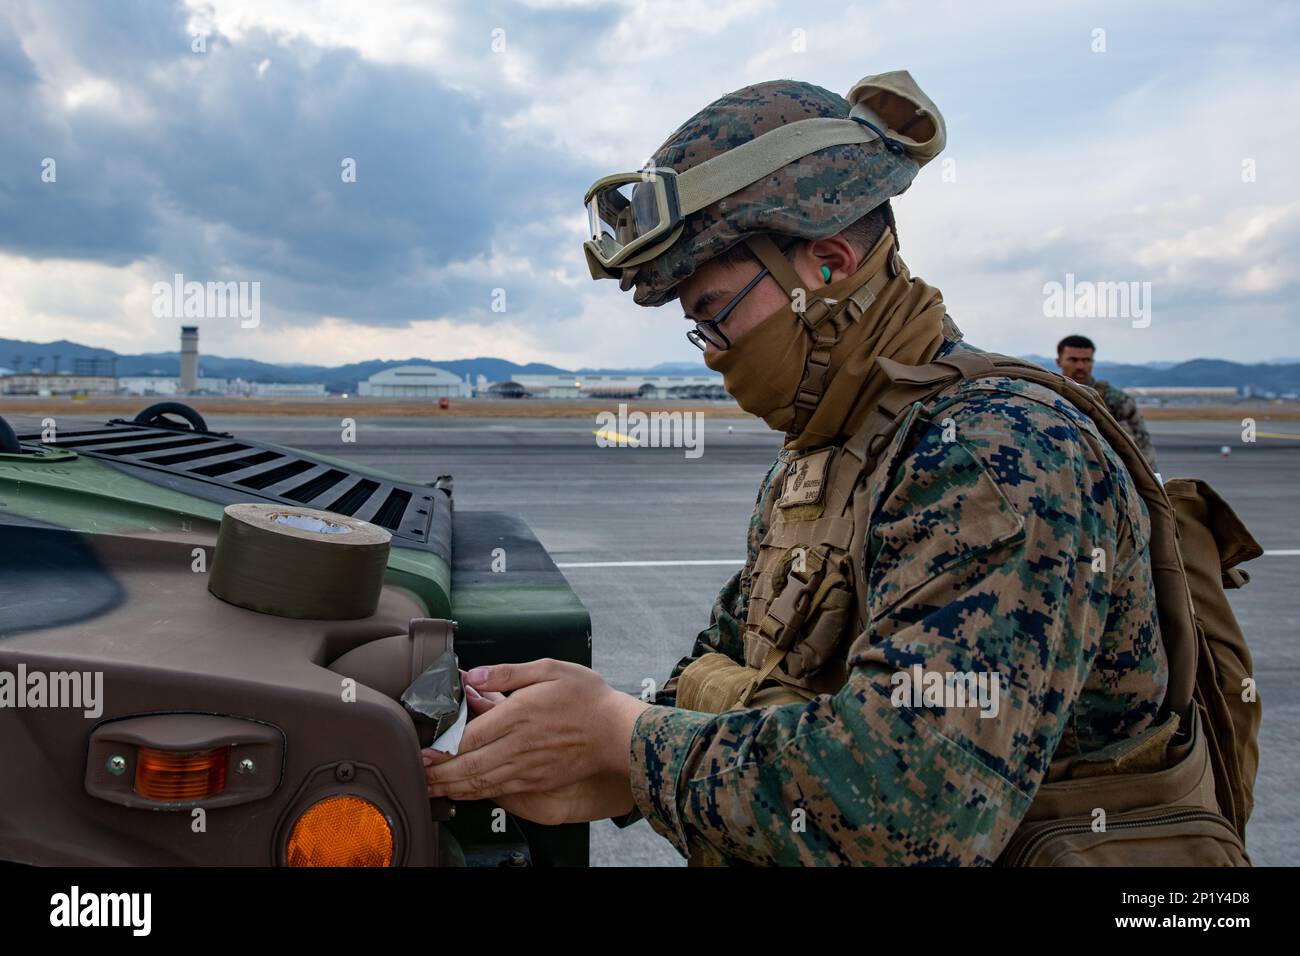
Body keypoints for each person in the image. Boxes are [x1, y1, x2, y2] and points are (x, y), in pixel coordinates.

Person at [422, 71, 1167, 865]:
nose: (712, 355)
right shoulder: (829, 453)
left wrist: (626, 743)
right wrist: (565, 729)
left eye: (713, 313)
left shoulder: (995, 453)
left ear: (832, 266)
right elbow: (726, 664)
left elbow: (904, 807)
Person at [1055, 334, 1158, 471]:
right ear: (1059, 362)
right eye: (1073, 360)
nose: (1080, 366)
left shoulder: (1116, 401)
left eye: (1086, 360)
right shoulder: (1049, 396)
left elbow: (1143, 449)